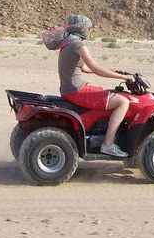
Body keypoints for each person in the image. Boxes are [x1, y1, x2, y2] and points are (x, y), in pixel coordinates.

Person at [55, 14, 134, 158]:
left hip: (70, 90)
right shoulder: (77, 44)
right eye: (88, 28)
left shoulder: (67, 42)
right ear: (81, 28)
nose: (89, 31)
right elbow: (95, 69)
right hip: (77, 91)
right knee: (123, 101)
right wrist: (123, 77)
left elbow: (84, 68)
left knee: (107, 94)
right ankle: (108, 145)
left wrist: (112, 71)